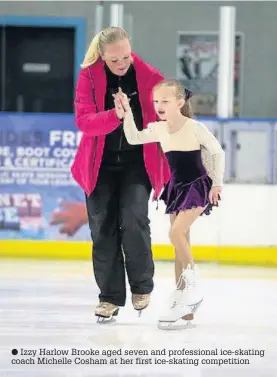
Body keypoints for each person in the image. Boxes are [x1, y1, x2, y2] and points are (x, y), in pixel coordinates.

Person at [71, 27, 170, 321]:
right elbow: (85, 122)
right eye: (115, 60)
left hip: (137, 163)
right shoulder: (88, 76)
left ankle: (142, 285)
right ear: (102, 55)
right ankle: (110, 297)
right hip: (98, 165)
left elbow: (170, 107)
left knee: (133, 218)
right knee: (103, 228)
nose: (122, 63)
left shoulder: (149, 76)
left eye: (126, 56)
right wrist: (114, 116)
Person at [114, 79, 225, 329]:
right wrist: (128, 112)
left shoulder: (194, 127)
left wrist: (217, 183)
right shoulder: (159, 128)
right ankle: (185, 308)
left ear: (180, 102)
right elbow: (133, 138)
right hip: (176, 188)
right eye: (156, 101)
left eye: (165, 101)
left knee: (176, 233)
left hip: (198, 186)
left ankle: (192, 288)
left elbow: (217, 152)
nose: (159, 105)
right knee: (181, 243)